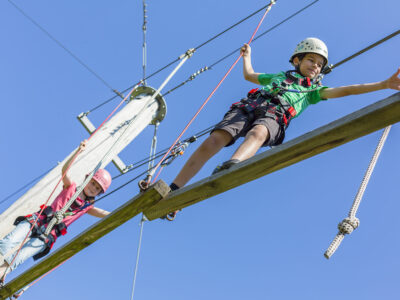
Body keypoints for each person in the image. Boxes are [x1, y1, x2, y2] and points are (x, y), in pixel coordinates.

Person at [163, 37, 400, 220]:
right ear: (297, 60)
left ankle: (233, 165)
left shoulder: (313, 92)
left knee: (259, 133)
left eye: (319, 65)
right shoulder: (277, 76)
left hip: (275, 115)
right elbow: (249, 75)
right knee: (214, 140)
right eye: (311, 61)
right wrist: (247, 56)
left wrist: (383, 84)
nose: (315, 67)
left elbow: (347, 90)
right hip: (250, 105)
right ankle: (175, 187)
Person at [0, 140, 112, 277]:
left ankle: (1, 273)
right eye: (93, 184)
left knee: (19, 258)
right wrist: (78, 152)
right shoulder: (70, 188)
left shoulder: (86, 207)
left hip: (47, 235)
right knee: (9, 241)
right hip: (39, 220)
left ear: (99, 193)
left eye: (97, 188)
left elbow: (106, 214)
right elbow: (65, 171)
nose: (93, 188)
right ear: (87, 180)